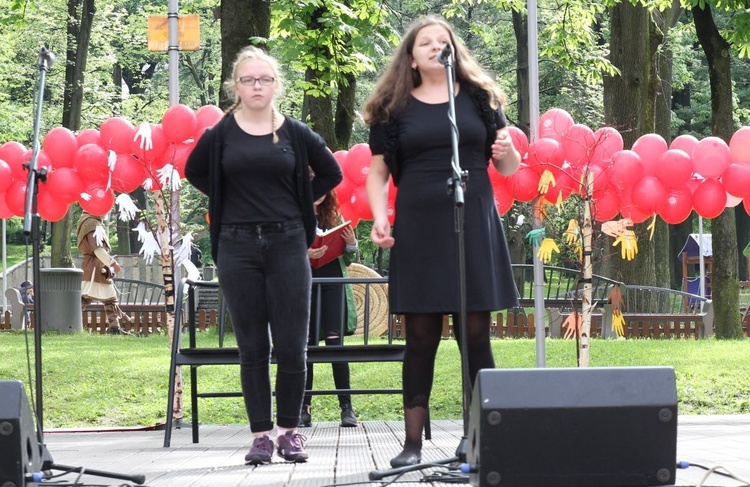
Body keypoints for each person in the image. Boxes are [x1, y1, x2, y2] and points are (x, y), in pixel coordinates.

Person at [364, 15, 521, 467]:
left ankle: (478, 437)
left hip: (472, 221)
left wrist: (506, 152)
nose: (435, 47)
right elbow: (377, 174)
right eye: (424, 43)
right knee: (420, 334)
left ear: (454, 50)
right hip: (418, 225)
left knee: (475, 333)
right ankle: (413, 444)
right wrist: (379, 217)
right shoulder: (392, 109)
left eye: (442, 41)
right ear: (410, 57)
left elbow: (507, 168)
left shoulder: (479, 99)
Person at [184, 46, 342, 465]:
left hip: (289, 242)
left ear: (276, 85)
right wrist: (226, 197)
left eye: (265, 79)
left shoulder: (294, 132)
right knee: (252, 346)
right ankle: (260, 437)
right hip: (236, 246)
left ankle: (289, 433)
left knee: (292, 345)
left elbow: (332, 173)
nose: (257, 86)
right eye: (249, 79)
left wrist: (301, 200)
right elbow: (194, 171)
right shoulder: (219, 134)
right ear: (235, 86)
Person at [300, 190, 358, 428]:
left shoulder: (334, 216)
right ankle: (303, 408)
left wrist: (351, 244)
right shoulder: (296, 215)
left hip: (333, 284)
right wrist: (305, 253)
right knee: (308, 346)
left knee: (336, 345)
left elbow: (348, 259)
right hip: (306, 285)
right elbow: (283, 251)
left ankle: (347, 408)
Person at [77, 211, 132, 335]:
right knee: (85, 299)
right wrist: (111, 263)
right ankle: (70, 325)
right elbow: (97, 248)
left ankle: (115, 329)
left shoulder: (91, 222)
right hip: (94, 268)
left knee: (108, 300)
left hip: (97, 266)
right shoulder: (91, 223)